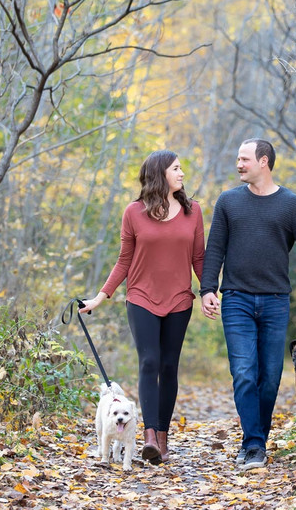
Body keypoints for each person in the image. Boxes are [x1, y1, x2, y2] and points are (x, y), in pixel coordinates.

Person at [200, 138, 296, 470]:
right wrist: (208, 288)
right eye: (237, 158)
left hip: (276, 302)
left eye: (244, 159)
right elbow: (215, 248)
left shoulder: (292, 204)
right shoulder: (228, 202)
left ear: (264, 161)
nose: (238, 164)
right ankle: (253, 445)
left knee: (270, 375)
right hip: (236, 300)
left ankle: (256, 440)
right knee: (244, 372)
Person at [80, 150, 204, 464]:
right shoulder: (133, 212)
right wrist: (100, 296)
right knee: (149, 361)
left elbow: (199, 259)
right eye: (176, 168)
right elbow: (124, 260)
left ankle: (162, 437)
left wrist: (211, 292)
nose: (182, 173)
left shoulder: (194, 212)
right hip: (141, 298)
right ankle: (149, 435)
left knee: (168, 366)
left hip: (179, 299)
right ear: (160, 173)